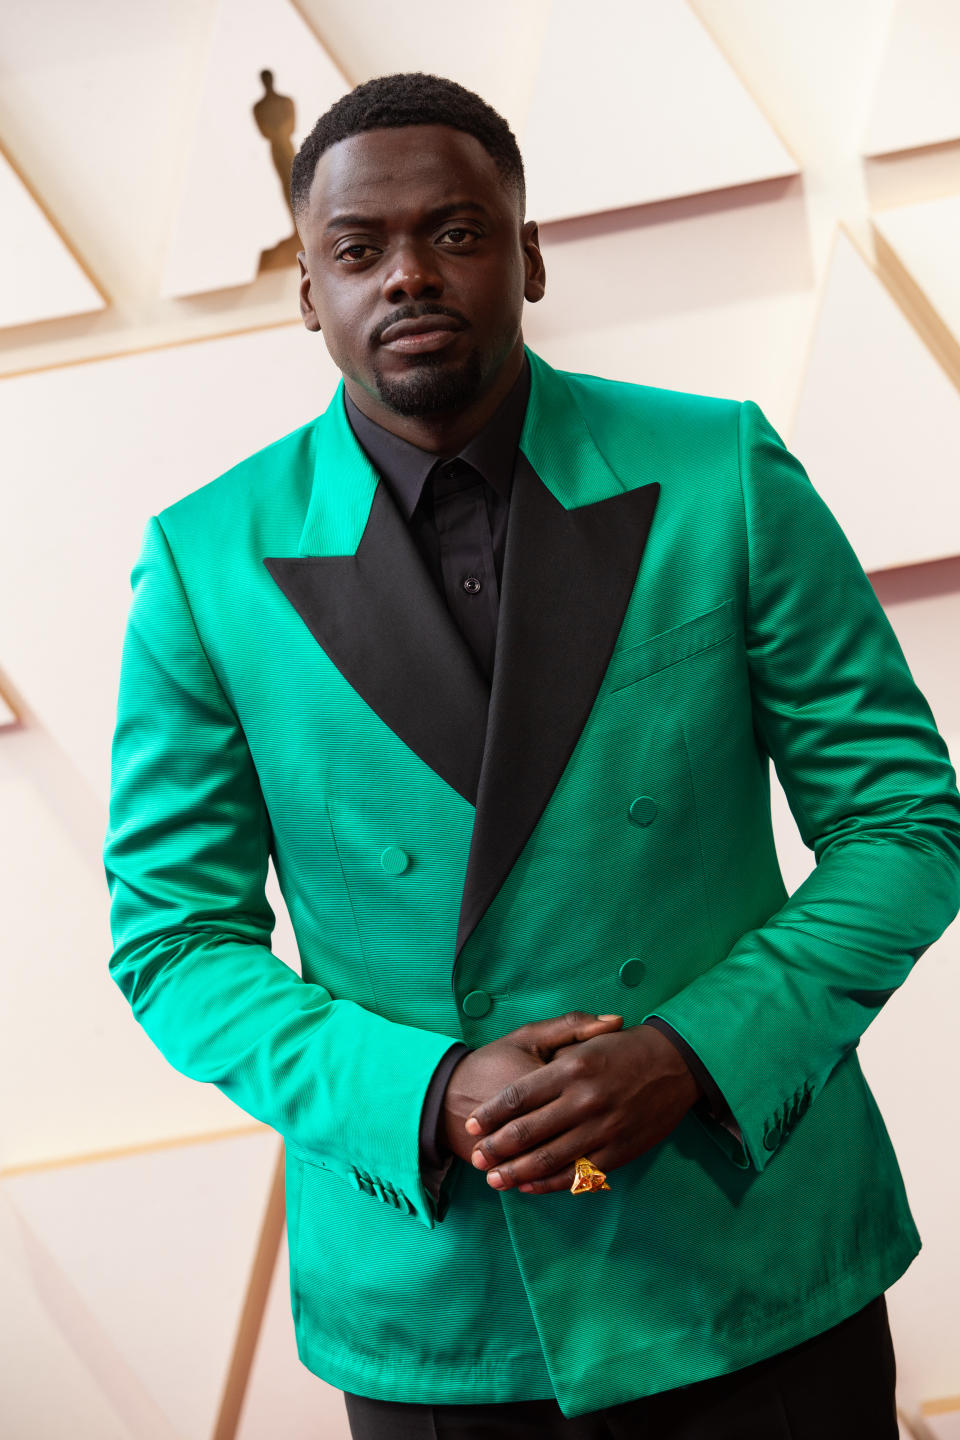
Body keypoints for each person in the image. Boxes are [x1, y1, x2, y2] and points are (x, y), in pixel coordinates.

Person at [103, 72, 960, 1438]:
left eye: (455, 231)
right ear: (307, 293)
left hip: (748, 1255)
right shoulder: (208, 564)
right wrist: (427, 1094)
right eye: (358, 249)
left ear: (531, 253)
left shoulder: (718, 470)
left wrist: (694, 1051)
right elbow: (174, 939)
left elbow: (907, 824)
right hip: (443, 1302)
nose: (407, 277)